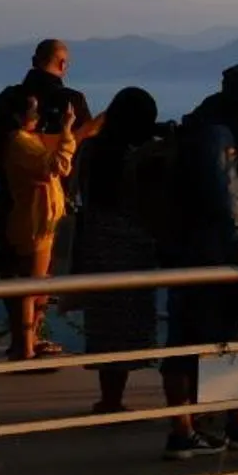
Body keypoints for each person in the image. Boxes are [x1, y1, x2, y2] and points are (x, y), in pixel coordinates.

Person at [160, 65, 238, 460]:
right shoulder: (217, 137)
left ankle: (208, 425)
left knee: (192, 336)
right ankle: (215, 426)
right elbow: (225, 200)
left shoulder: (198, 125)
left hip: (184, 249)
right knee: (217, 336)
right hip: (206, 255)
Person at [72, 87, 167, 413]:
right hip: (134, 246)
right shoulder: (144, 155)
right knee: (130, 322)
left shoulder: (91, 150)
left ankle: (109, 398)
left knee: (104, 323)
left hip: (96, 243)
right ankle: (115, 399)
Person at [0, 79, 84, 362]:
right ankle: (25, 347)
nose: (37, 116)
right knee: (31, 286)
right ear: (17, 115)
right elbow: (57, 166)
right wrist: (68, 132)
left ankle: (29, 341)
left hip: (40, 222)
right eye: (32, 111)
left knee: (38, 286)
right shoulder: (20, 143)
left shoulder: (26, 141)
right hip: (34, 224)